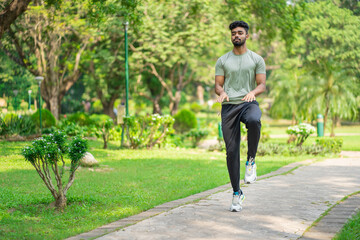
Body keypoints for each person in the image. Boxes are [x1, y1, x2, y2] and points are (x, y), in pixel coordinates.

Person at [215, 21, 266, 212]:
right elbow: (218, 85)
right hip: (229, 106)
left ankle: (251, 160)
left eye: (240, 33)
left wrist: (253, 92)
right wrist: (221, 92)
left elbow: (262, 84)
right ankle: (237, 192)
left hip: (248, 102)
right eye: (233, 33)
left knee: (254, 120)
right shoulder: (222, 60)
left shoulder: (256, 59)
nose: (236, 35)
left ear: (247, 35)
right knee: (231, 152)